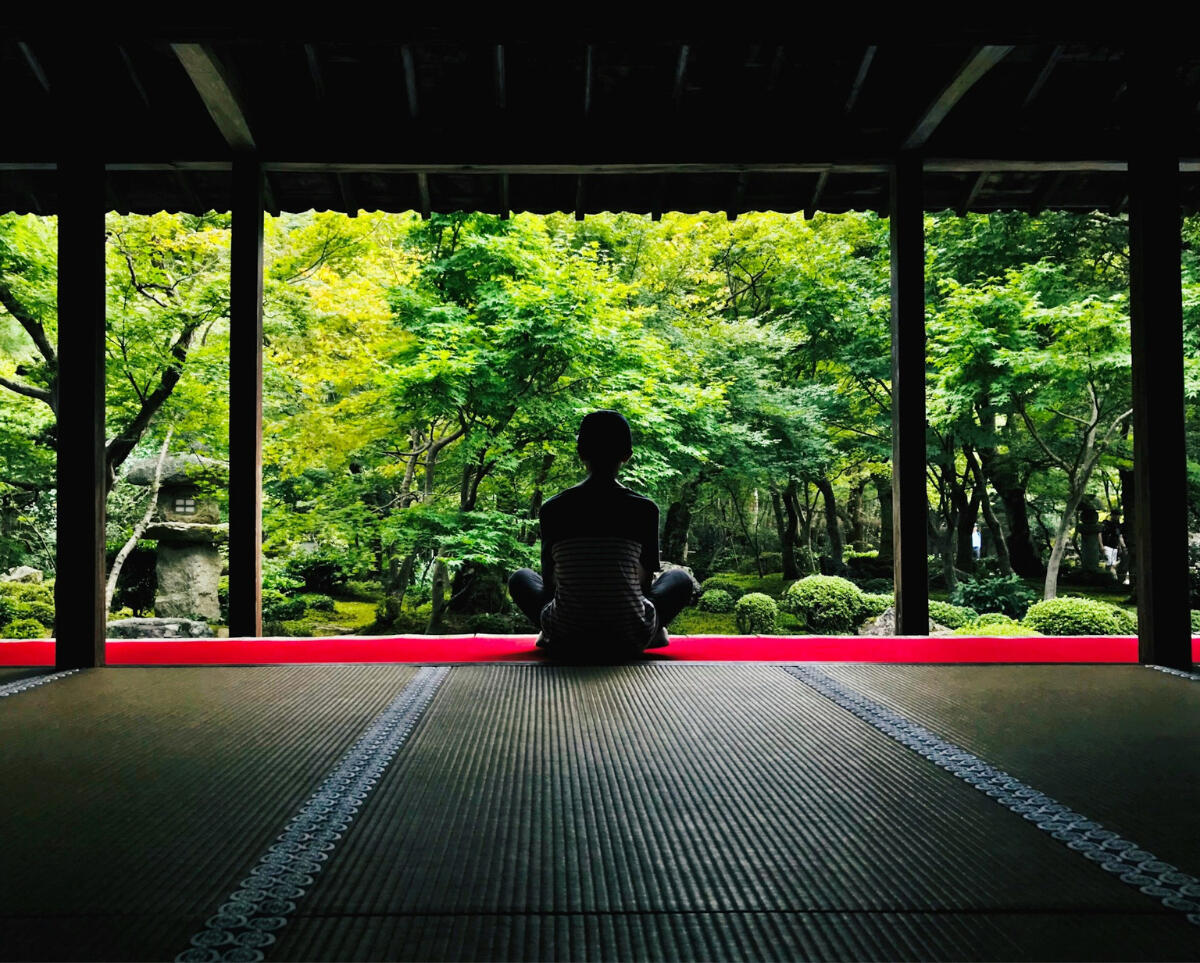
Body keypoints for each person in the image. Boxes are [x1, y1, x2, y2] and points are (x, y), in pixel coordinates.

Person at [508, 410, 694, 660]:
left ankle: (550, 631)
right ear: (627, 455)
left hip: (566, 634)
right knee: (680, 580)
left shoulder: (554, 508)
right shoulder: (643, 508)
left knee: (520, 578)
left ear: (581, 453)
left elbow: (552, 583)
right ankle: (653, 632)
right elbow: (643, 583)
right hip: (628, 636)